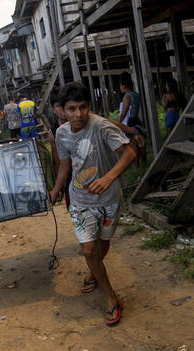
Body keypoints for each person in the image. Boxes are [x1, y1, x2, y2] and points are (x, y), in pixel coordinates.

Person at [49, 82, 137, 327]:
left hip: (109, 200)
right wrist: (57, 189)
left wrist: (109, 178)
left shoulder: (101, 127)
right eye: (72, 109)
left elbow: (130, 153)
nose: (79, 114)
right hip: (80, 201)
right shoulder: (62, 134)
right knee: (88, 250)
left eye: (83, 107)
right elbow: (66, 165)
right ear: (62, 111)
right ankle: (112, 297)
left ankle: (94, 271)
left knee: (102, 245)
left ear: (89, 106)